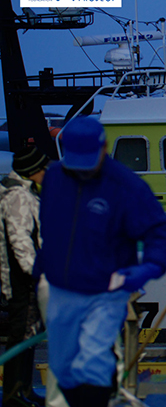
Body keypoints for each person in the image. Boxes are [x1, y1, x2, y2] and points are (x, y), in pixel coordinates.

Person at [35, 116, 166, 407]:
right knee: (63, 367)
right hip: (62, 286)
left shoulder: (126, 186)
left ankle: (99, 398)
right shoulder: (56, 179)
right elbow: (49, 227)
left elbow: (159, 232)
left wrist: (148, 267)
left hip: (107, 288)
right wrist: (41, 267)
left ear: (104, 148)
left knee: (94, 360)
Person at [1, 146, 49, 407]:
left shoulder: (26, 193)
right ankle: (14, 392)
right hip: (22, 276)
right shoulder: (18, 196)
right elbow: (20, 240)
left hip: (26, 274)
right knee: (21, 332)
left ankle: (24, 389)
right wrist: (35, 272)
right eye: (43, 169)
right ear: (32, 171)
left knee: (29, 332)